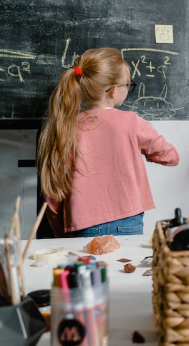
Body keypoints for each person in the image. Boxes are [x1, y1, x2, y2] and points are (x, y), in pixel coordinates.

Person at [37, 47, 179, 237]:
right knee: (125, 267)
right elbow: (171, 157)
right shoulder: (131, 122)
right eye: (128, 84)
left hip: (83, 225)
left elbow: (53, 190)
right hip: (128, 220)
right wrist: (147, 153)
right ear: (112, 90)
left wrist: (59, 230)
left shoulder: (66, 127)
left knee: (90, 268)